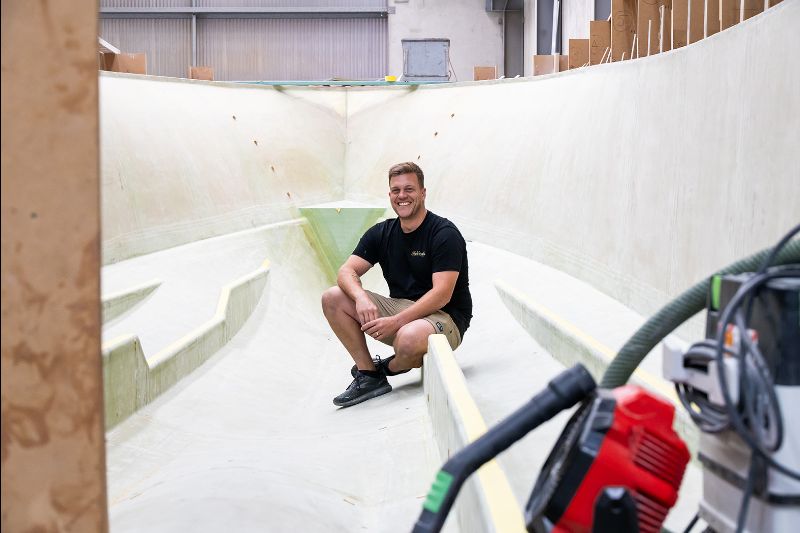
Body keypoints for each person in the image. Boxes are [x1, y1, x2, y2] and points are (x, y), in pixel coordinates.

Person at [321, 162, 472, 407]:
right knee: (333, 297)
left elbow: (442, 294)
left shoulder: (444, 233)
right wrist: (360, 297)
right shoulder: (382, 233)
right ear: (390, 194)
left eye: (409, 189)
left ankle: (386, 368)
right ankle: (368, 375)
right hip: (403, 309)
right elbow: (346, 271)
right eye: (396, 190)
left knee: (408, 338)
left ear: (423, 192)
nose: (402, 196)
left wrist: (397, 321)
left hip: (445, 317)